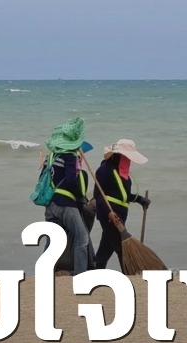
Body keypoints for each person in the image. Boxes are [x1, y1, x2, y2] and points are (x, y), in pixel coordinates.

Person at [42, 118, 95, 275]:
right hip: (65, 204)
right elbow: (71, 181)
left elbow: (43, 179)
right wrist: (80, 197)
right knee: (82, 238)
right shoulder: (70, 156)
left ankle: (45, 272)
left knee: (52, 240)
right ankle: (80, 274)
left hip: (50, 204)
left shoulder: (51, 157)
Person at [93, 139, 151, 272]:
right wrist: (109, 212)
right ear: (117, 155)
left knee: (106, 248)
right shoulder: (104, 170)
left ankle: (96, 270)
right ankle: (129, 274)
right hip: (110, 215)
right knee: (122, 247)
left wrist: (140, 199)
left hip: (121, 214)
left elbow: (124, 196)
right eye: (126, 157)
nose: (128, 161)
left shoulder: (125, 176)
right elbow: (98, 195)